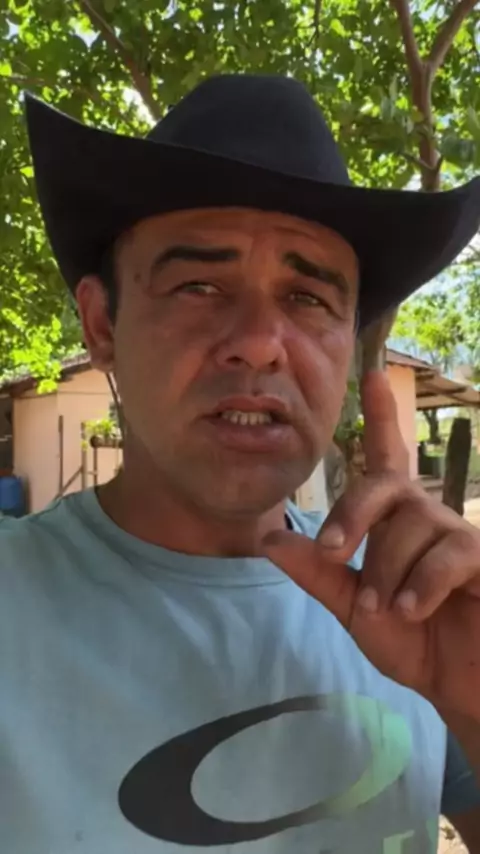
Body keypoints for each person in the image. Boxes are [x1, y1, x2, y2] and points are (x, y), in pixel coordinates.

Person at [1, 74, 480, 854]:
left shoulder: (412, 610)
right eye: (198, 285)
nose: (258, 343)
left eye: (309, 298)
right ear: (102, 324)